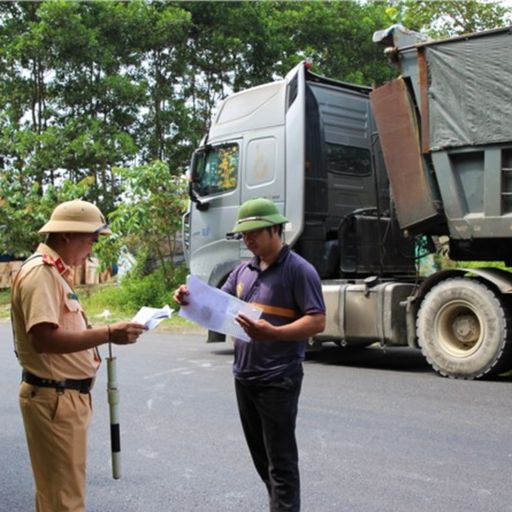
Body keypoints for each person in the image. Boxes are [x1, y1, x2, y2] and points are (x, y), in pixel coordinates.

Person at [174, 197, 326, 512]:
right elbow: (217, 304)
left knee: (281, 462)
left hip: (278, 378)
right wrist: (188, 298)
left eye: (254, 232)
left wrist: (274, 333)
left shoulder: (299, 270)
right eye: (244, 235)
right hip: (244, 376)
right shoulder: (243, 270)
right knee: (262, 460)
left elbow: (317, 320)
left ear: (275, 228)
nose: (248, 240)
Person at [10, 199, 146, 512]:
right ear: (68, 235)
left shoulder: (54, 273)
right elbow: (43, 338)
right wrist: (109, 333)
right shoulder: (41, 274)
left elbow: (63, 329)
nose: (91, 250)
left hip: (61, 397)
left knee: (57, 494)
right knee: (64, 501)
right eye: (91, 240)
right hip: (54, 397)